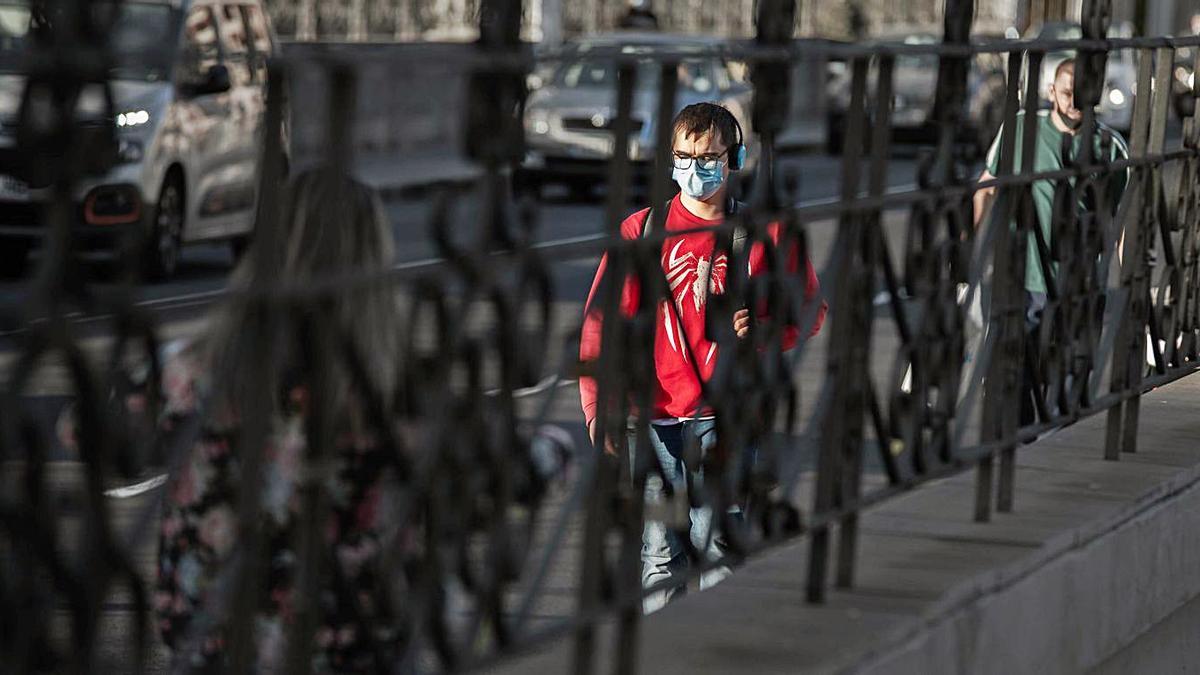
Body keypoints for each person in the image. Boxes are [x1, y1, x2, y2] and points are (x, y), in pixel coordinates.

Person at [578, 102, 826, 613]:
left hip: (727, 419)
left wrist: (763, 330)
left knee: (718, 548)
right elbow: (601, 326)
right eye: (685, 157)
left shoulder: (766, 232)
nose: (697, 168)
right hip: (652, 421)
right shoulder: (642, 232)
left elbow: (809, 311)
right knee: (659, 554)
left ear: (733, 159)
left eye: (710, 157)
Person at [154, 168, 404, 672]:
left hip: (210, 636)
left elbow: (87, 429)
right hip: (338, 644)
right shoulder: (391, 393)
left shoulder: (193, 373)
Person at [972, 58, 1128, 426]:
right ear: (1050, 93)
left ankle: (1050, 431)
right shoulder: (1023, 128)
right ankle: (1017, 439)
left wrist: (1123, 278)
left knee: (1064, 373)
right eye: (1067, 93)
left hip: (1078, 279)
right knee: (1017, 368)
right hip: (1022, 272)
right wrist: (973, 247)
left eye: (1082, 94)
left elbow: (1120, 219)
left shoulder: (1109, 146)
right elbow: (986, 187)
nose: (1074, 101)